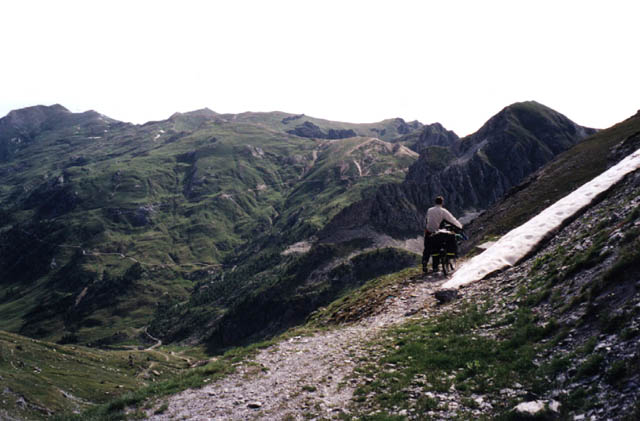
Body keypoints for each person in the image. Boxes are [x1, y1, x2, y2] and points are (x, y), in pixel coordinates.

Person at [422, 196, 463, 273]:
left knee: (427, 248)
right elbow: (452, 219)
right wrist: (460, 226)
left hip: (428, 232)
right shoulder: (443, 211)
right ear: (442, 202)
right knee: (441, 244)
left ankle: (425, 263)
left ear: (435, 202)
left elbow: (426, 220)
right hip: (438, 232)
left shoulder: (429, 210)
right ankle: (440, 264)